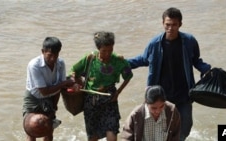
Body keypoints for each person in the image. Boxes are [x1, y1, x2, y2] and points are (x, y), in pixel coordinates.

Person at [127, 7, 211, 141]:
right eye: (167, 24)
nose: (170, 28)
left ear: (180, 24)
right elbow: (143, 59)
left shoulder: (189, 41)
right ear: (162, 23)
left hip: (184, 93)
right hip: (161, 96)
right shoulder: (154, 44)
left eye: (174, 25)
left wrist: (207, 70)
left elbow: (196, 60)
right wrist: (121, 63)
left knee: (185, 127)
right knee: (161, 128)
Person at [69, 31, 133, 141]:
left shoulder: (118, 60)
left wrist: (118, 92)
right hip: (91, 101)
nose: (108, 54)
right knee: (93, 136)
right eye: (104, 51)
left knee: (112, 133)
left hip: (110, 100)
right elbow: (73, 71)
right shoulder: (90, 58)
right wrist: (75, 83)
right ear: (98, 48)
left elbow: (128, 76)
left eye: (110, 50)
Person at [22, 37, 75, 141]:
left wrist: (54, 105)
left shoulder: (60, 63)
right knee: (32, 129)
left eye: (56, 55)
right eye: (50, 55)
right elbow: (44, 91)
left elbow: (59, 88)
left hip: (51, 97)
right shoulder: (34, 65)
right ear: (43, 51)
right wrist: (64, 83)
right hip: (34, 98)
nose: (53, 59)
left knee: (48, 130)